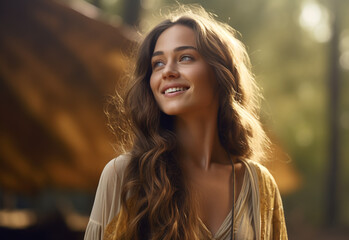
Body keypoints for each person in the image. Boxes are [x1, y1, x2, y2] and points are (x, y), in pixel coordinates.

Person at [84, 5, 287, 240]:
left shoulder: (260, 186)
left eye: (185, 58)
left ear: (221, 74)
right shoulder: (123, 176)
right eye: (157, 63)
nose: (167, 71)